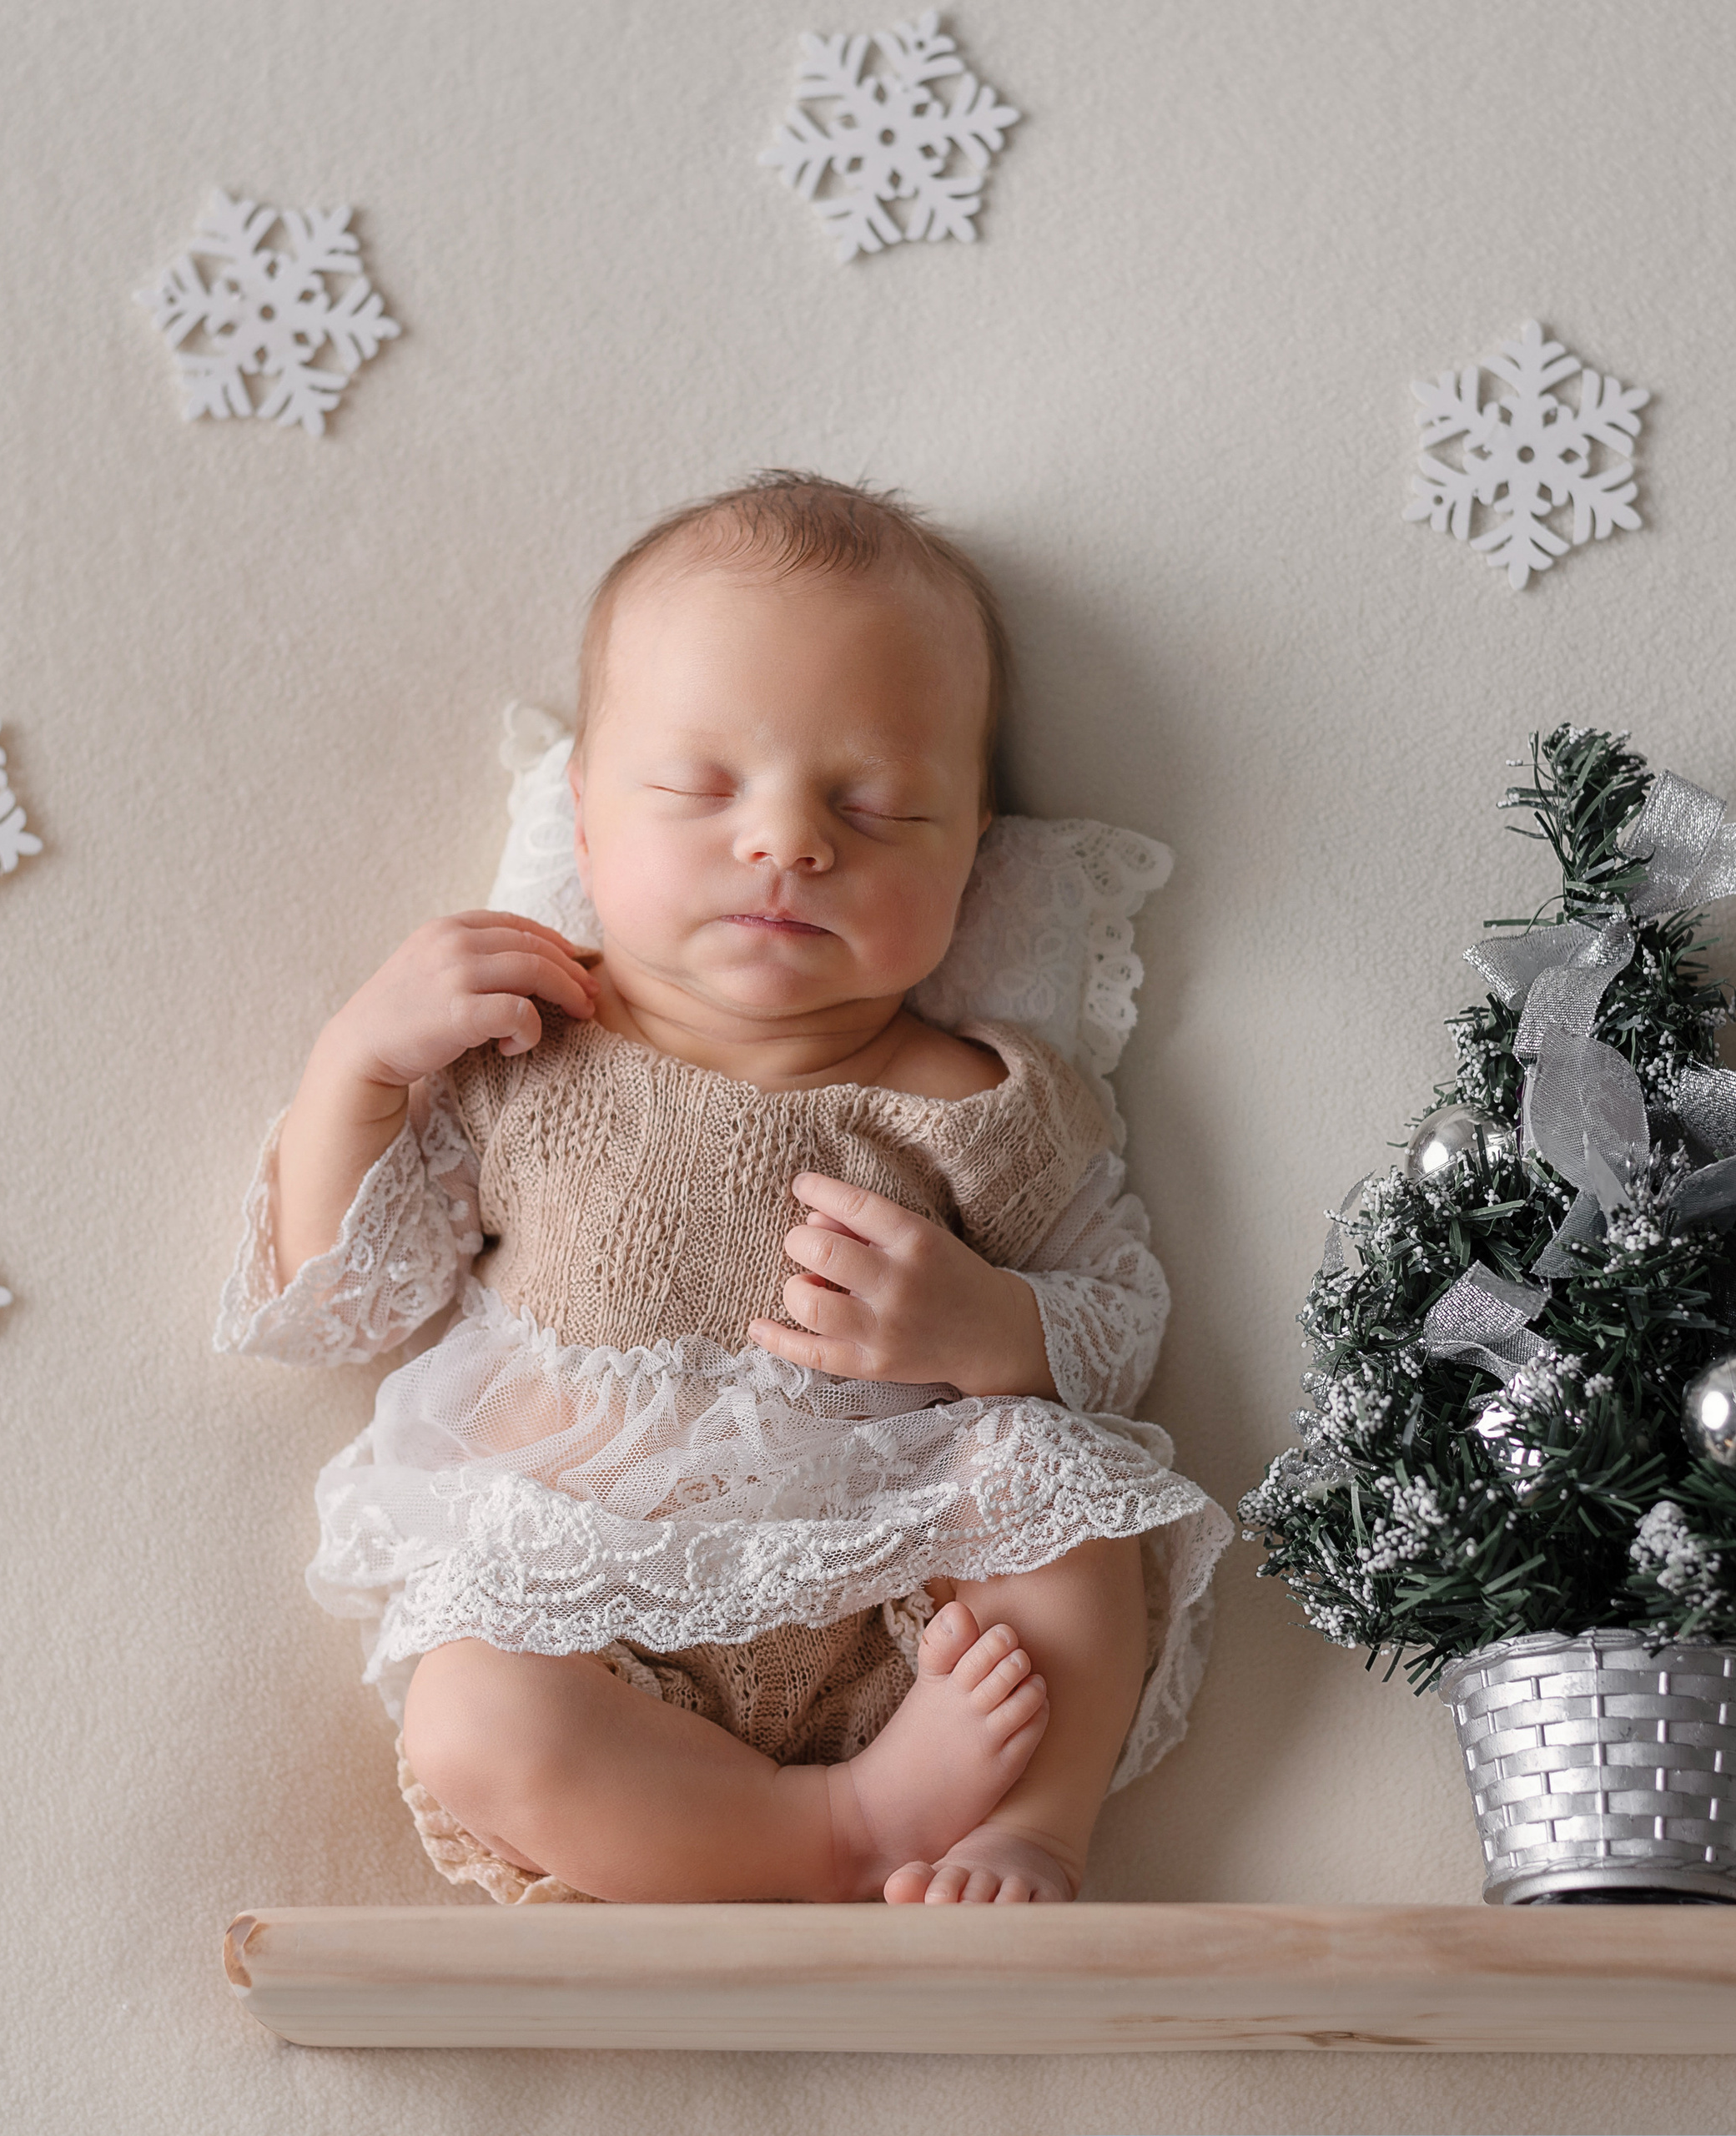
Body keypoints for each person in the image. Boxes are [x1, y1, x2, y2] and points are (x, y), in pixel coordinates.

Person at [218, 472, 1227, 1904]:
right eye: (703, 788)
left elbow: (1122, 1328)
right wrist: (354, 1076)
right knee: (472, 1713)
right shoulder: (522, 1056)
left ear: (974, 854)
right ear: (583, 822)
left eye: (874, 806)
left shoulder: (987, 1105)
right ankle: (830, 1831)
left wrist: (996, 1330)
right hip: (590, 1604)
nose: (788, 841)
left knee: (1075, 1511)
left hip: (900, 1603)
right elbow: (344, 1299)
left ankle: (1026, 1830)